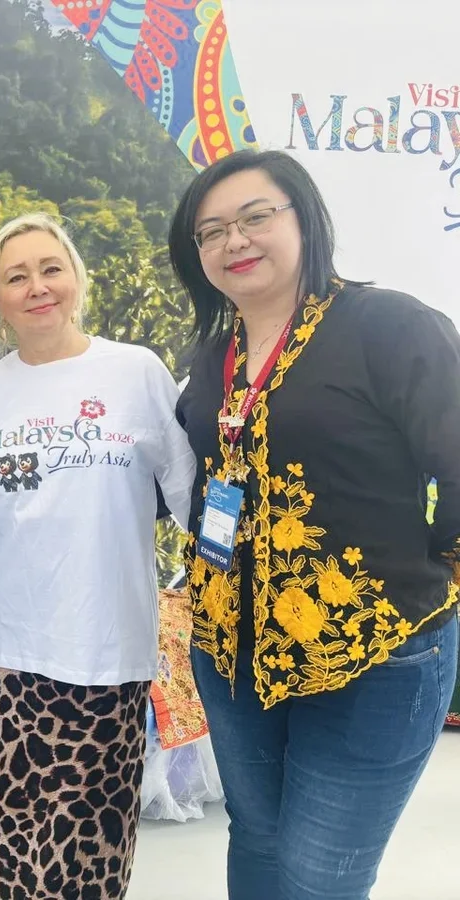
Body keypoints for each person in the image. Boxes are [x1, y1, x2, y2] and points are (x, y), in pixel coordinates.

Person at [169, 148, 460, 899]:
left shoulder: (388, 326)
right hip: (230, 651)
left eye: (254, 217)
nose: (234, 241)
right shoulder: (213, 356)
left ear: (305, 220)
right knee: (257, 842)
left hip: (371, 652)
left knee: (318, 875)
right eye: (211, 231)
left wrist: (435, 568)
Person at [0, 213, 196, 899]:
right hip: (6, 650)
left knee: (92, 845)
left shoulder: (136, 372)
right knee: (9, 840)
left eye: (51, 268)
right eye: (16, 276)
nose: (37, 286)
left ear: (76, 277)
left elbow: (190, 498)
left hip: (108, 646)